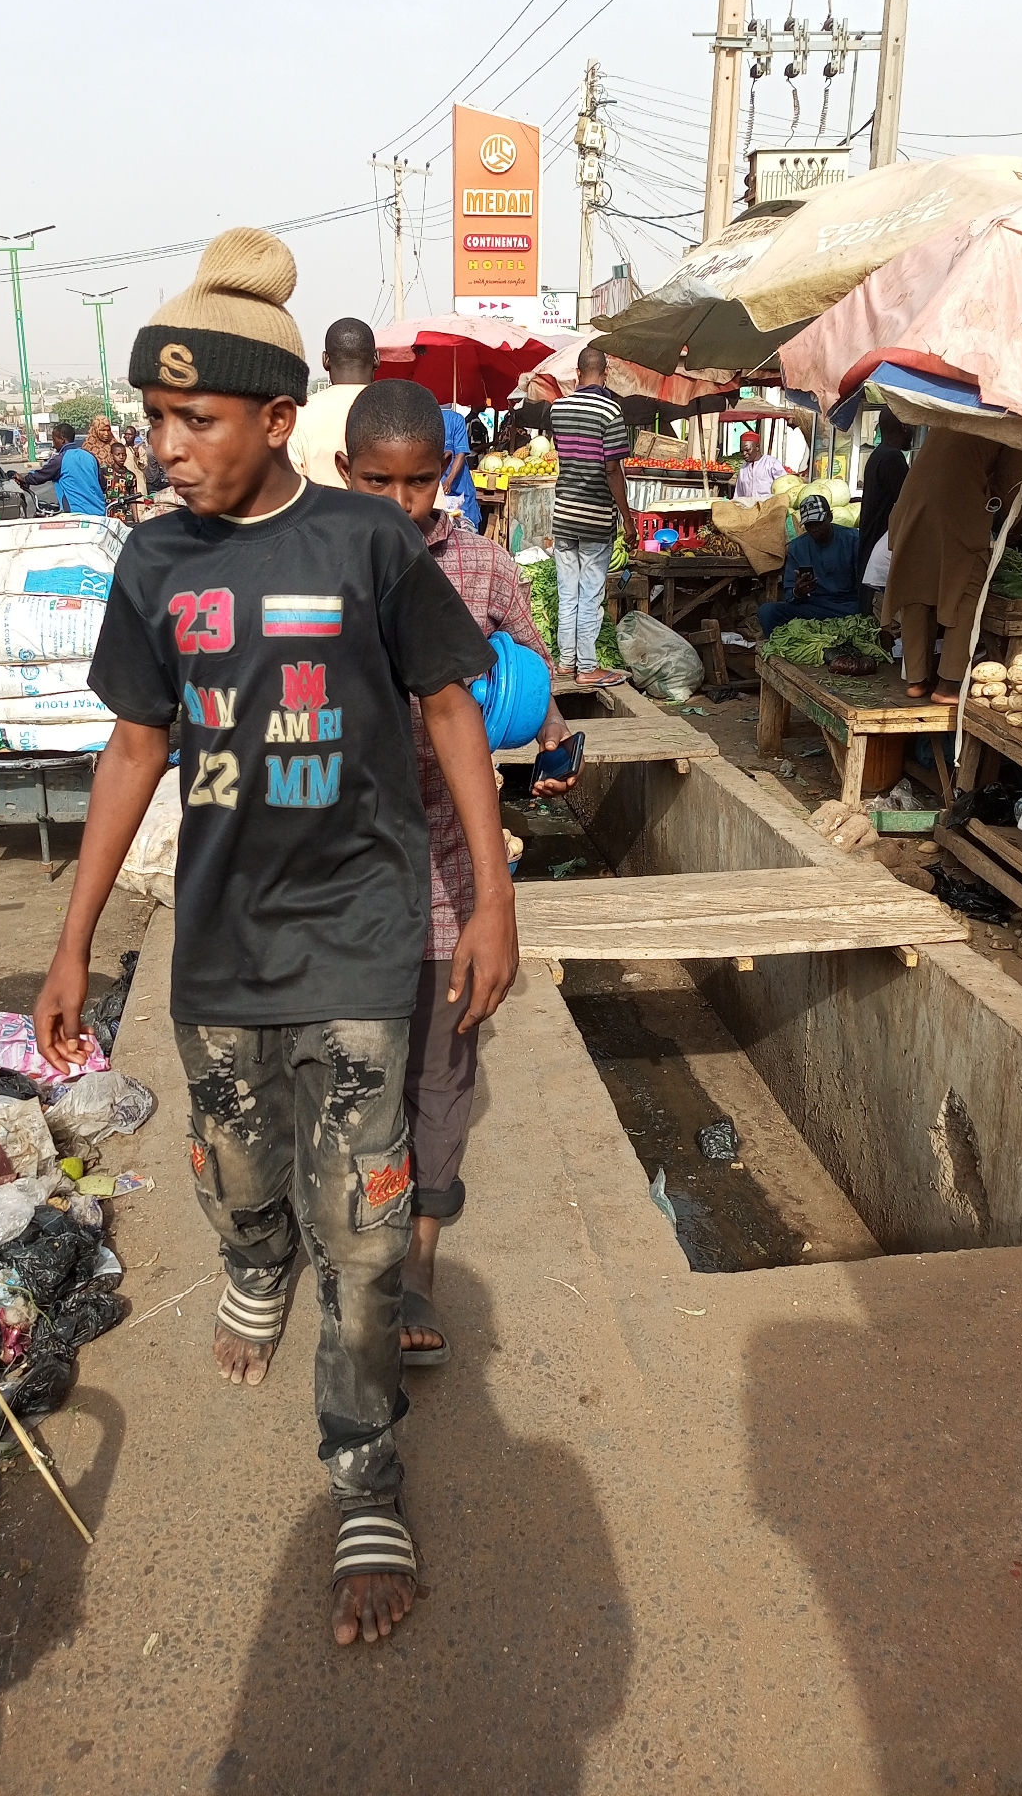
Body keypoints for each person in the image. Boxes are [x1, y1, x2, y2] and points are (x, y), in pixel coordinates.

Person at [30, 229, 517, 1648]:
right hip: (223, 949)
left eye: (195, 420)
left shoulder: (371, 543)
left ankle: (366, 1475)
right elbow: (134, 749)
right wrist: (73, 945)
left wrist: (493, 898)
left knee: (363, 1224)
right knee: (242, 1172)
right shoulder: (152, 558)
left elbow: (450, 711)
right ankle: (253, 1261)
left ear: (277, 418)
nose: (167, 448)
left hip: (362, 933)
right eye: (153, 419)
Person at [336, 379, 576, 1366]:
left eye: (420, 482)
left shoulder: (479, 564)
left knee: (441, 1069)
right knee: (355, 1075)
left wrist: (552, 738)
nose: (402, 504)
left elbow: (527, 665)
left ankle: (420, 1260)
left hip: (447, 869)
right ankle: (355, 1242)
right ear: (345, 474)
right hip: (342, 876)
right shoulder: (313, 568)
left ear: (447, 473)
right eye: (379, 484)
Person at [882, 428, 1022, 703]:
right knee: (966, 589)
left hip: (912, 504)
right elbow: (1011, 487)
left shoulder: (962, 410)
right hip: (956, 507)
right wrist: (1020, 522)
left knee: (917, 587)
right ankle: (948, 685)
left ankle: (916, 680)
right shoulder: (1020, 424)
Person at [549, 345, 637, 685]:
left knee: (567, 593)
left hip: (564, 515)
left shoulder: (558, 408)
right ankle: (586, 667)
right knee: (590, 595)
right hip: (596, 517)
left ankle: (565, 662)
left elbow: (566, 456)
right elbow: (612, 470)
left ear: (577, 373)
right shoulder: (610, 411)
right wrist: (627, 518)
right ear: (606, 374)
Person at [287, 317, 378, 486]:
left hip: (318, 504)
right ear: (376, 358)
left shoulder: (298, 415)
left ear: (325, 360)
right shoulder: (400, 411)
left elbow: (289, 486)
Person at [757, 493, 861, 634]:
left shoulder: (853, 539)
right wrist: (798, 592)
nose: (814, 529)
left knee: (863, 610)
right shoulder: (797, 547)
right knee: (767, 611)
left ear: (830, 517)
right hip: (813, 606)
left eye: (818, 523)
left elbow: (865, 585)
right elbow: (790, 594)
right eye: (809, 525)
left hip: (846, 607)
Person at [856, 409, 912, 594]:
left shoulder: (878, 454)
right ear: (904, 427)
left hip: (870, 545)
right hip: (880, 548)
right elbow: (908, 504)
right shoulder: (893, 458)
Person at [18, 421, 106, 515]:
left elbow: (39, 476)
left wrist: (23, 478)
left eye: (54, 440)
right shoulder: (90, 456)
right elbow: (103, 484)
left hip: (76, 514)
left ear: (62, 440)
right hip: (99, 512)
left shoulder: (60, 459)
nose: (53, 445)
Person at [438, 402, 481, 530]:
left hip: (456, 487)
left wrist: (448, 481)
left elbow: (460, 454)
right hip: (443, 488)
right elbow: (460, 453)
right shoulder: (455, 419)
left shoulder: (453, 419)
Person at [731, 429, 777, 503]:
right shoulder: (743, 468)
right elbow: (738, 494)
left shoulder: (772, 463)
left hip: (768, 507)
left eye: (747, 450)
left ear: (757, 447)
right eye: (742, 451)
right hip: (748, 508)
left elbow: (783, 487)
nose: (744, 454)